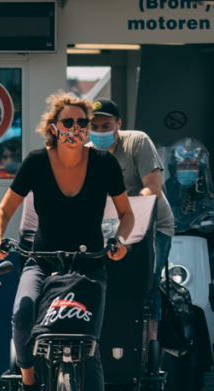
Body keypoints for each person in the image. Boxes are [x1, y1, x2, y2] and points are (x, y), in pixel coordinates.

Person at [0, 92, 134, 391]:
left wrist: (119, 241)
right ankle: (30, 383)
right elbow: (4, 210)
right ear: (53, 127)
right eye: (68, 122)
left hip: (88, 264)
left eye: (82, 123)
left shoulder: (103, 164)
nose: (76, 129)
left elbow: (126, 214)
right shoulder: (37, 162)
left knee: (89, 346)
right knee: (22, 315)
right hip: (42, 259)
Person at [89, 98, 172, 340]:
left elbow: (153, 189)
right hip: (109, 227)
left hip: (154, 226)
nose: (100, 131)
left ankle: (150, 343)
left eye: (106, 126)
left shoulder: (138, 141)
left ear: (118, 124)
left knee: (147, 279)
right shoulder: (85, 153)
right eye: (94, 127)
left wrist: (123, 210)